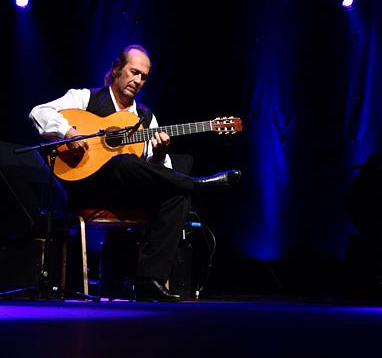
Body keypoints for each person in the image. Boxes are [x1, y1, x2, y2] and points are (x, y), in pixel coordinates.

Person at [29, 44, 242, 302]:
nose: (138, 80)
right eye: (133, 72)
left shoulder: (146, 117)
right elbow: (38, 112)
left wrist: (160, 154)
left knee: (177, 197)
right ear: (116, 70)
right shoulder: (85, 98)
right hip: (87, 187)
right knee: (124, 162)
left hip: (128, 193)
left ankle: (149, 280)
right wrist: (68, 132)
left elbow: (157, 173)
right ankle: (196, 185)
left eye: (143, 77)